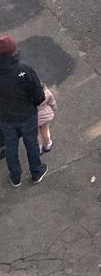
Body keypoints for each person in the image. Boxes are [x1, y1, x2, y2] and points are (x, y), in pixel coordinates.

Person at [0, 35, 48, 187]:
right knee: (31, 143)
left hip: (5, 118)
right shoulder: (24, 69)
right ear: (13, 51)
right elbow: (38, 93)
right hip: (27, 115)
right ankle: (36, 171)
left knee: (10, 147)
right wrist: (35, 103)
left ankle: (15, 177)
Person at [37, 83, 56, 152]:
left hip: (35, 117)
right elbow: (52, 102)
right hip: (45, 115)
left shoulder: (30, 96)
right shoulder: (47, 92)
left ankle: (39, 147)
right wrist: (54, 108)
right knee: (45, 130)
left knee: (37, 133)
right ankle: (48, 143)